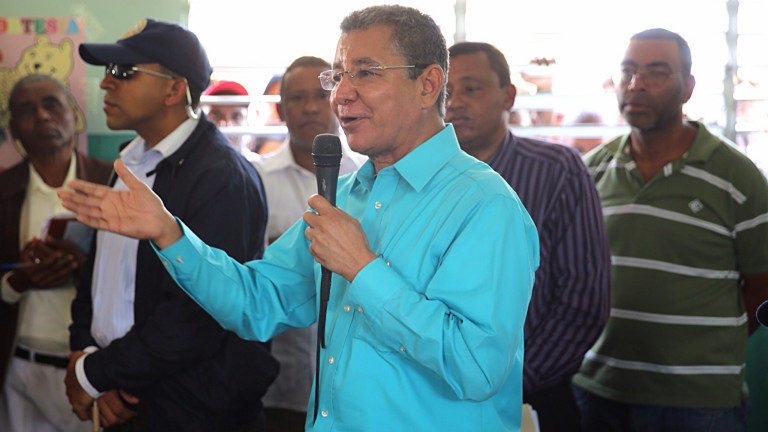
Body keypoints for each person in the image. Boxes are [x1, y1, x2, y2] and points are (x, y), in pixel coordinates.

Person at [58, 5, 539, 431]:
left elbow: (476, 367)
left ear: (428, 84)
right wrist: (169, 233)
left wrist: (363, 270)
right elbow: (257, 302)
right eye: (339, 75)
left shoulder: (484, 205)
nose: (342, 95)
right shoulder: (345, 196)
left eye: (366, 73)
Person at [63, 18, 278, 432]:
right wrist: (87, 354)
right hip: (123, 396)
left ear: (174, 89)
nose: (106, 83)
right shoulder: (130, 162)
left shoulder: (221, 176)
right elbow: (98, 278)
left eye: (123, 71)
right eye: (107, 71)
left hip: (190, 412)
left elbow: (197, 317)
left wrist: (97, 374)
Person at [571, 28, 768, 432]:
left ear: (688, 88)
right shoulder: (590, 171)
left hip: (698, 403)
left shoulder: (736, 176)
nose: (636, 84)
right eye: (628, 71)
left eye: (656, 72)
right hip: (599, 390)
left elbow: (761, 287)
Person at [445, 41, 611, 432]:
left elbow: (583, 300)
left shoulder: (556, 170)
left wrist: (506, 381)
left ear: (508, 95)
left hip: (531, 394)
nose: (454, 102)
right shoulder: (420, 178)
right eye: (445, 91)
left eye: (471, 88)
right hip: (432, 396)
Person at [254, 55, 363, 432]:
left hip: (351, 391)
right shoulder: (256, 179)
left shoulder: (367, 180)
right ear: (281, 109)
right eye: (297, 98)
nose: (311, 107)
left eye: (320, 95)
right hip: (278, 385)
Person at [0, 74, 113, 432]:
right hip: (18, 369)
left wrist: (83, 270)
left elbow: (141, 282)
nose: (42, 116)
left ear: (74, 115)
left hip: (95, 372)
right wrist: (18, 282)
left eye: (51, 104)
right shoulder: (2, 192)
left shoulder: (113, 184)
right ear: (13, 131)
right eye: (26, 110)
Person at [200, 80, 259, 161]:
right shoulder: (190, 165)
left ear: (246, 121)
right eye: (216, 115)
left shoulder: (257, 166)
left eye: (236, 116)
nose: (227, 124)